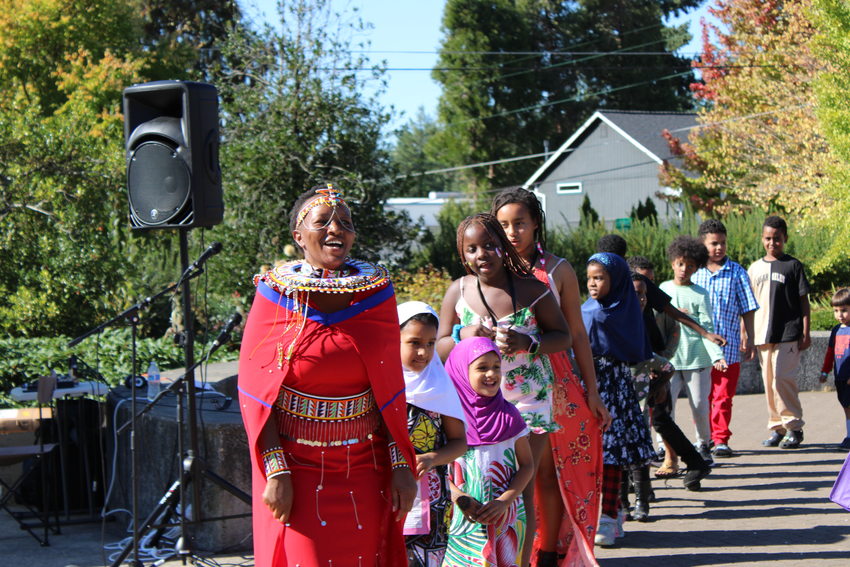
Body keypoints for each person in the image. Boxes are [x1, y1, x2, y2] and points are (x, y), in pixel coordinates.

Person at [237, 184, 417, 566]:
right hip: (296, 470)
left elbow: (389, 390)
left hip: (366, 470)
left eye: (346, 223)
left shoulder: (376, 296)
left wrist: (401, 466)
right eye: (324, 222)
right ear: (298, 236)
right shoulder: (275, 297)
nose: (337, 229)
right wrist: (275, 468)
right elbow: (256, 394)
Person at [436, 213, 571, 567]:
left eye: (490, 245)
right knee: (476, 483)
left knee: (520, 485)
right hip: (475, 405)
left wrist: (529, 341)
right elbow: (437, 347)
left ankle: (520, 561)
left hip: (528, 399)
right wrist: (462, 336)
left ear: (503, 246)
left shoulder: (531, 287)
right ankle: (483, 558)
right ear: (462, 254)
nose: (482, 254)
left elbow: (563, 336)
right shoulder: (458, 291)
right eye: (472, 249)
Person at [492, 188, 606, 567]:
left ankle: (547, 553)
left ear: (536, 223)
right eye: (504, 225)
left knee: (549, 473)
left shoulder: (558, 269)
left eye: (519, 223)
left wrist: (592, 392)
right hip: (505, 383)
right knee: (510, 473)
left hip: (557, 382)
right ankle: (513, 551)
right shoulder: (491, 270)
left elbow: (576, 334)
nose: (512, 232)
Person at [581, 252, 656, 547]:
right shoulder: (589, 309)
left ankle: (609, 517)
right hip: (591, 385)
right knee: (598, 453)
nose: (592, 284)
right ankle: (614, 512)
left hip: (612, 386)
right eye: (589, 278)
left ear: (617, 280)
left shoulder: (620, 309)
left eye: (599, 278)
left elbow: (634, 348)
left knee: (612, 454)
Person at [442, 337, 534, 567]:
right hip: (459, 520)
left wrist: (504, 501)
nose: (491, 374)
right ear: (461, 371)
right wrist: (458, 497)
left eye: (496, 366)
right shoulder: (448, 418)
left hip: (505, 519)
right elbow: (440, 471)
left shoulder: (509, 415)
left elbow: (527, 465)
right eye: (482, 367)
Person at [398, 301, 469, 566]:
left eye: (430, 343)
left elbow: (459, 443)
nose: (423, 352)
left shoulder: (440, 385)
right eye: (414, 342)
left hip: (431, 499)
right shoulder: (380, 387)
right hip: (382, 493)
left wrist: (431, 458)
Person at [692, 219, 759, 459]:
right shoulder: (693, 272)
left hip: (728, 349)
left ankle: (721, 439)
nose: (718, 248)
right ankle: (704, 437)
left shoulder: (737, 272)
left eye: (722, 243)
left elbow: (748, 308)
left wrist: (749, 337)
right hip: (699, 350)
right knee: (702, 398)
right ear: (703, 244)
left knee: (723, 396)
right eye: (713, 244)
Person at [659, 236, 727, 464]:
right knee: (666, 408)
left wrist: (717, 355)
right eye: (680, 264)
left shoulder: (700, 294)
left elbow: (707, 329)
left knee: (699, 406)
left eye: (689, 265)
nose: (684, 269)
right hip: (669, 360)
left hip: (697, 360)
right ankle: (665, 446)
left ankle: (704, 444)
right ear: (672, 263)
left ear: (697, 267)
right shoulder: (663, 289)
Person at [748, 215, 811, 449]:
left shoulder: (793, 266)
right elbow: (748, 305)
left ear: (785, 238)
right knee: (768, 382)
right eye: (767, 238)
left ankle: (794, 426)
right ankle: (777, 427)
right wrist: (747, 335)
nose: (772, 243)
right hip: (763, 333)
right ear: (762, 239)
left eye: (777, 239)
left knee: (783, 379)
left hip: (788, 333)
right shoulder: (754, 269)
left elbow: (804, 301)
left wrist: (806, 331)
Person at [819, 288, 850, 450]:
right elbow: (830, 353)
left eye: (844, 310)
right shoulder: (836, 331)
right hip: (840, 377)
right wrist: (825, 371)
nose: (840, 315)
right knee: (846, 407)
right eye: (836, 311)